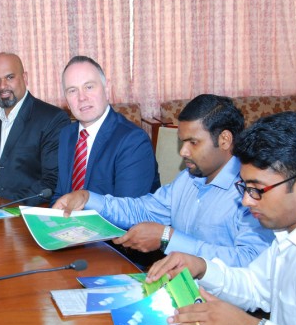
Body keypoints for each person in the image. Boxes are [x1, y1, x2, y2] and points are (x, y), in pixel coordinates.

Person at [146, 111, 296, 325]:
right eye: (244, 187)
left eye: (257, 190)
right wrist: (201, 267)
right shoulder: (288, 236)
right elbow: (254, 286)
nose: (246, 200)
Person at [53, 94, 273, 267]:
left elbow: (251, 261)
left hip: (224, 303)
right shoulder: (187, 179)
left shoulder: (252, 191)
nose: (183, 152)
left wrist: (168, 238)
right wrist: (87, 197)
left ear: (224, 140)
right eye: (182, 142)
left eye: (193, 143)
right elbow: (142, 210)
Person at [0, 52, 71, 205]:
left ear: (25, 78)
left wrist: (6, 205)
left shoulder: (52, 119)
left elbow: (52, 181)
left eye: (10, 77)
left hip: (26, 209)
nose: (2, 86)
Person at [50, 56, 160, 205]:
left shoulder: (133, 141)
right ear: (67, 101)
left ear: (106, 89)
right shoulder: (66, 135)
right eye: (72, 90)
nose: (82, 97)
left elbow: (126, 212)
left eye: (89, 87)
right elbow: (61, 194)